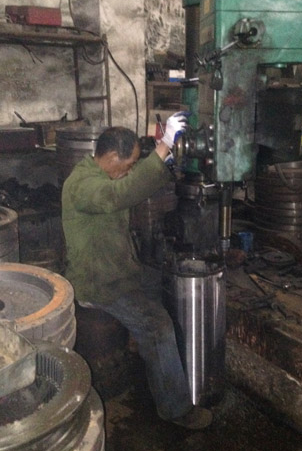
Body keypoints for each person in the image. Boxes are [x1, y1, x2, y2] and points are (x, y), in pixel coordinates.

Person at [61, 113, 213, 430]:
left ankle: (144, 350)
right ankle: (176, 408)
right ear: (111, 157)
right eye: (128, 164)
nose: (130, 170)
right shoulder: (83, 185)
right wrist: (163, 146)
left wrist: (164, 155)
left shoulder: (102, 173)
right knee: (158, 325)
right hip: (100, 283)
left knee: (158, 281)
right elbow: (120, 195)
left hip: (119, 269)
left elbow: (132, 183)